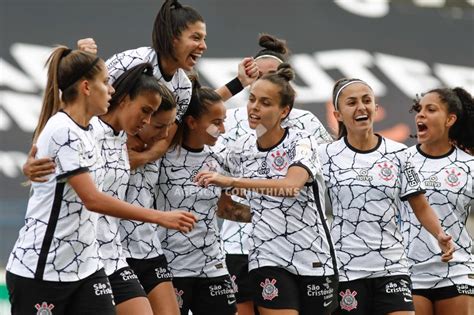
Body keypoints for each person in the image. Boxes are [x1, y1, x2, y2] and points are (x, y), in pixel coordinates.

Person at [6, 46, 196, 315]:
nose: (111, 89)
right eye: (106, 83)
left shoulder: (112, 135)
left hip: (91, 263)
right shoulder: (75, 129)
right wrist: (160, 217)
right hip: (44, 266)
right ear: (88, 87)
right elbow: (92, 199)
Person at [195, 64, 338, 315]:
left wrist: (232, 182)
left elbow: (291, 187)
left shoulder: (301, 141)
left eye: (265, 102)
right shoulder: (241, 148)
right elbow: (198, 127)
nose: (254, 107)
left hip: (313, 257)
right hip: (266, 258)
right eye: (252, 100)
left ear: (284, 111)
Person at [318, 78, 455, 315]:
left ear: (376, 108)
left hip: (392, 266)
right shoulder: (323, 155)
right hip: (346, 268)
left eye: (366, 100)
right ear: (338, 114)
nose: (361, 107)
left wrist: (440, 234)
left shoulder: (399, 154)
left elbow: (420, 205)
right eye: (352, 102)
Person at [103, 0, 258, 168]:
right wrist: (120, 143)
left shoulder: (184, 87)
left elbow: (167, 138)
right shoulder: (131, 61)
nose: (203, 46)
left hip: (144, 171)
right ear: (173, 38)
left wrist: (140, 159)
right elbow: (90, 103)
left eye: (204, 39)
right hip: (103, 154)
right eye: (196, 37)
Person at [155, 82, 245, 315]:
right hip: (171, 266)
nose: (223, 129)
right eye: (216, 123)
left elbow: (225, 209)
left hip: (213, 264)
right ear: (192, 122)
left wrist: (266, 217)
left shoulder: (219, 156)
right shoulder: (160, 156)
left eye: (224, 121)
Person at [403, 87, 474, 315]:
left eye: (430, 109)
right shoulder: (400, 160)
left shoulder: (469, 166)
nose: (420, 115)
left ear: (450, 119)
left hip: (457, 269)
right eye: (419, 109)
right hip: (408, 269)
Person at [120, 88, 182, 315]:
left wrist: (239, 82)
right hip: (114, 254)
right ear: (142, 118)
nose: (166, 134)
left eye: (169, 125)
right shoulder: (107, 143)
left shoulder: (157, 146)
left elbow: (203, 110)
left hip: (149, 249)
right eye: (158, 126)